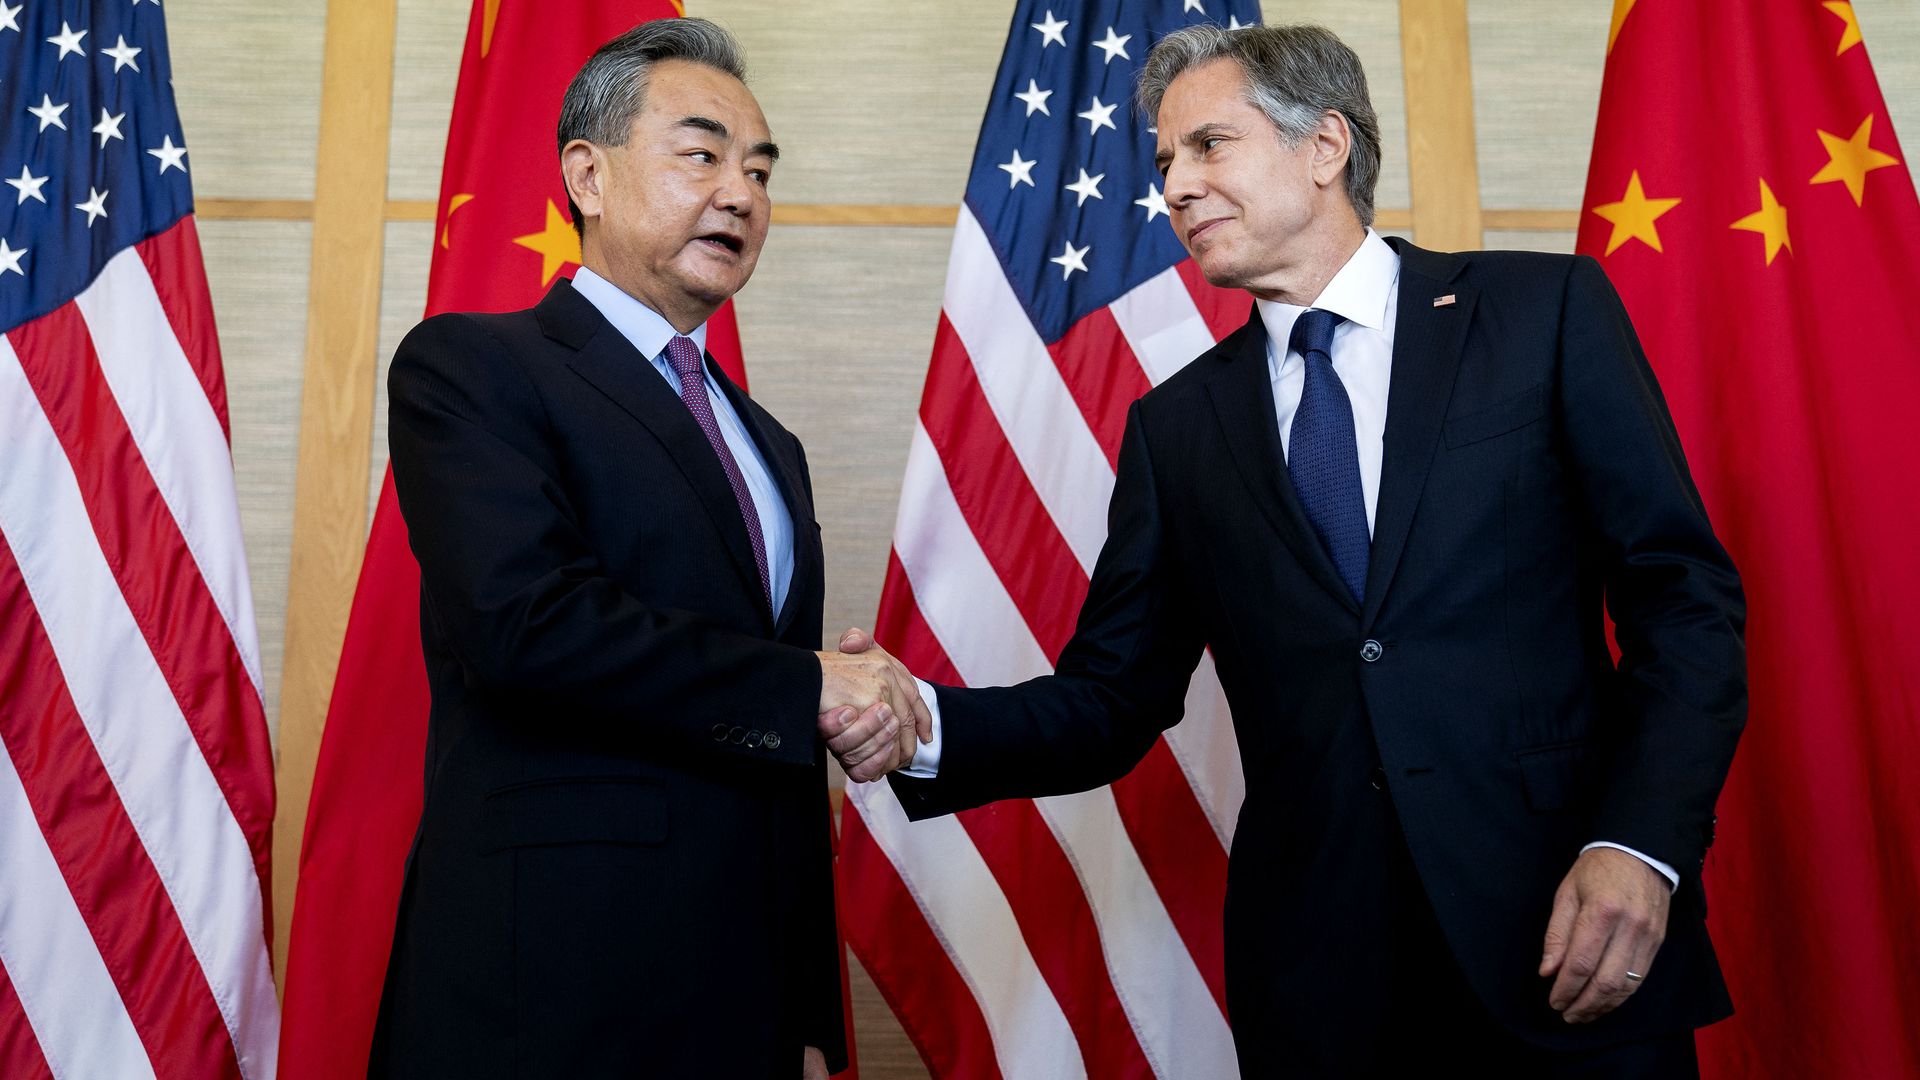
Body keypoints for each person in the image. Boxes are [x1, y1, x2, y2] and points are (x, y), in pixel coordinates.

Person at [842, 23, 1746, 1078]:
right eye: (1165, 159)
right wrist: (925, 724)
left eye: (1208, 145)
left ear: (1323, 147)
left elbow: (1683, 602)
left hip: (1568, 933)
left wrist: (1641, 844)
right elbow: (1111, 699)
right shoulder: (1177, 428)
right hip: (1327, 986)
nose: (1175, 186)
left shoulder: (1538, 314)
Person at [369, 19, 925, 1078]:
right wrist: (803, 681)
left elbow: (770, 750)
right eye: (702, 154)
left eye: (759, 169)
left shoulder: (770, 444)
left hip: (744, 1007)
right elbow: (525, 623)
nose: (741, 193)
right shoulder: (475, 368)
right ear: (588, 171)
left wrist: (808, 1015)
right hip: (552, 995)